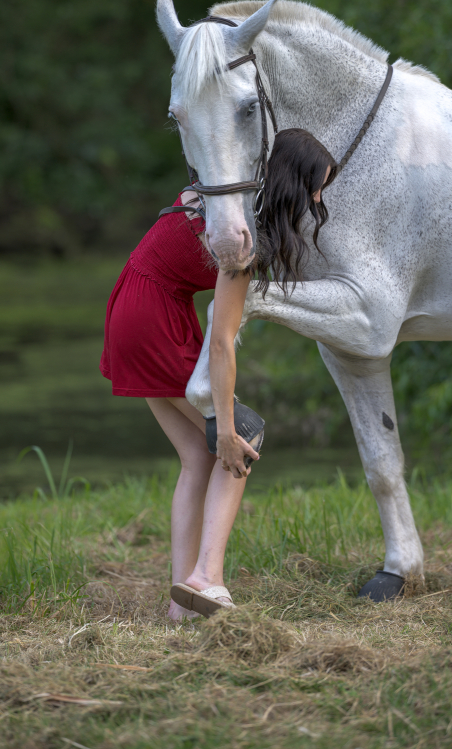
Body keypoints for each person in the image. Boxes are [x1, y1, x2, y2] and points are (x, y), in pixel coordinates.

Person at [100, 128, 337, 619]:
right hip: (152, 320)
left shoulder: (216, 194)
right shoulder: (239, 239)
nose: (318, 201)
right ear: (294, 185)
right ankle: (208, 577)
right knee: (243, 437)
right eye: (316, 188)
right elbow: (223, 343)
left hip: (135, 306)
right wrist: (227, 428)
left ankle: (183, 605)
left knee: (196, 453)